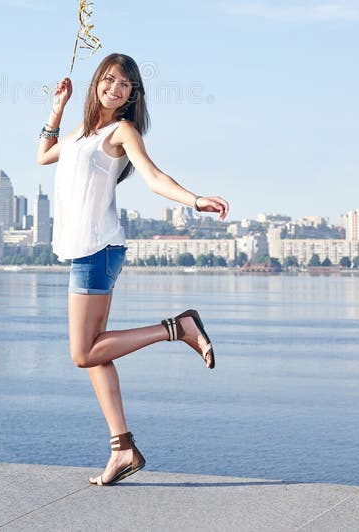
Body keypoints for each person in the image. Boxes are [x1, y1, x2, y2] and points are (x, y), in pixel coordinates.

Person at [37, 53, 229, 486]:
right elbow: (43, 154)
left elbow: (153, 176)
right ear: (97, 84)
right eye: (108, 80)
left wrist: (194, 200)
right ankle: (122, 448)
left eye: (124, 85)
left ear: (132, 95)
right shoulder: (85, 132)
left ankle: (177, 327)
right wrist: (57, 106)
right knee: (96, 354)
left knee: (83, 352)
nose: (115, 88)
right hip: (87, 250)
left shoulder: (122, 132)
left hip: (97, 249)